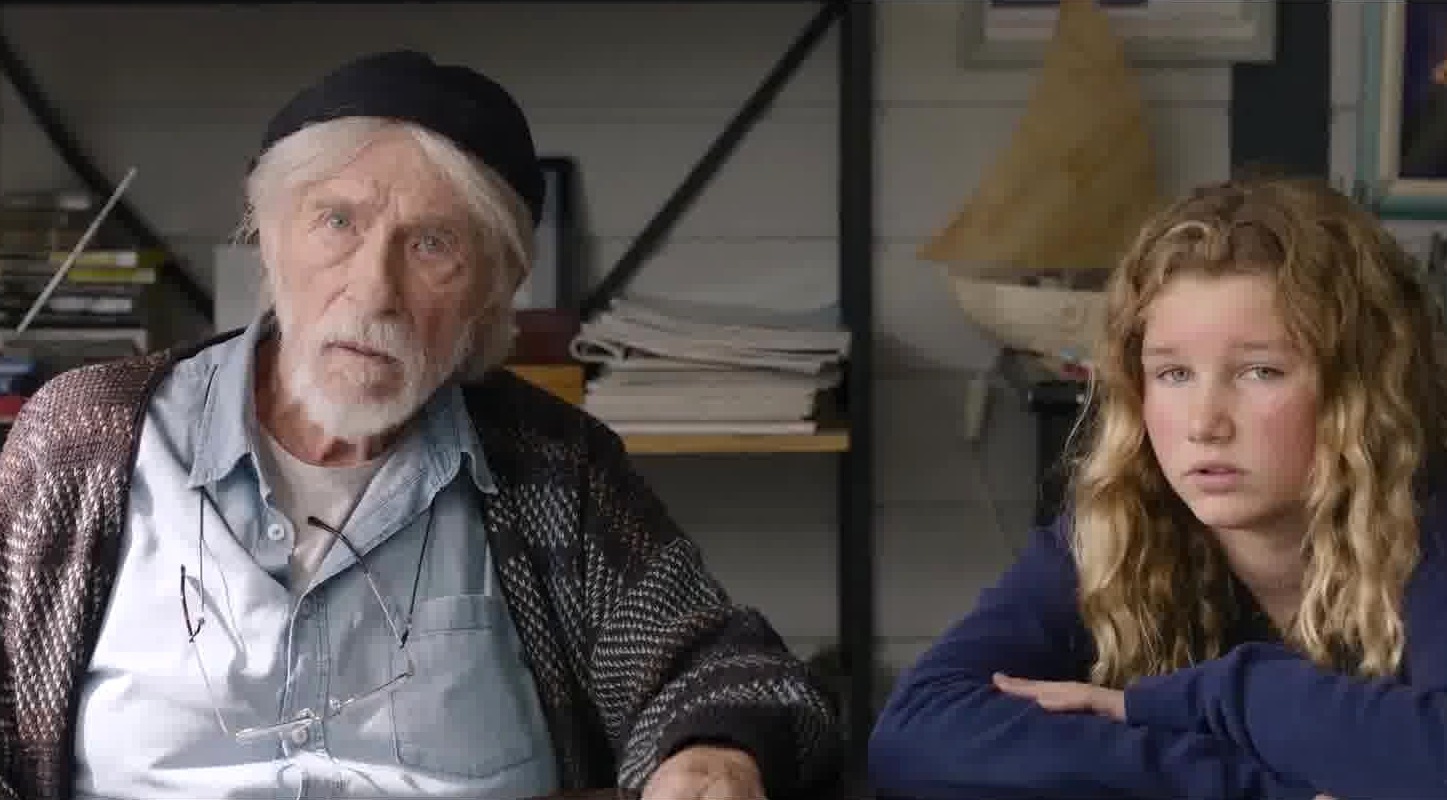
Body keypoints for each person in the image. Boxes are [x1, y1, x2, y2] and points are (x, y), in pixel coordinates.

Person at [0, 50, 840, 800]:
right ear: (270, 240)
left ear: (495, 290)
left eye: (433, 244)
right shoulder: (87, 439)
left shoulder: (551, 463)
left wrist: (715, 751)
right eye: (337, 222)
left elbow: (725, 669)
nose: (374, 291)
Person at [868, 176, 1447, 800]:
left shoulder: (1429, 526)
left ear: (1361, 389)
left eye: (1260, 371)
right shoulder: (1119, 526)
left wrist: (1228, 695)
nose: (1204, 423)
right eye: (1173, 373)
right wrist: (1258, 788)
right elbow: (916, 733)